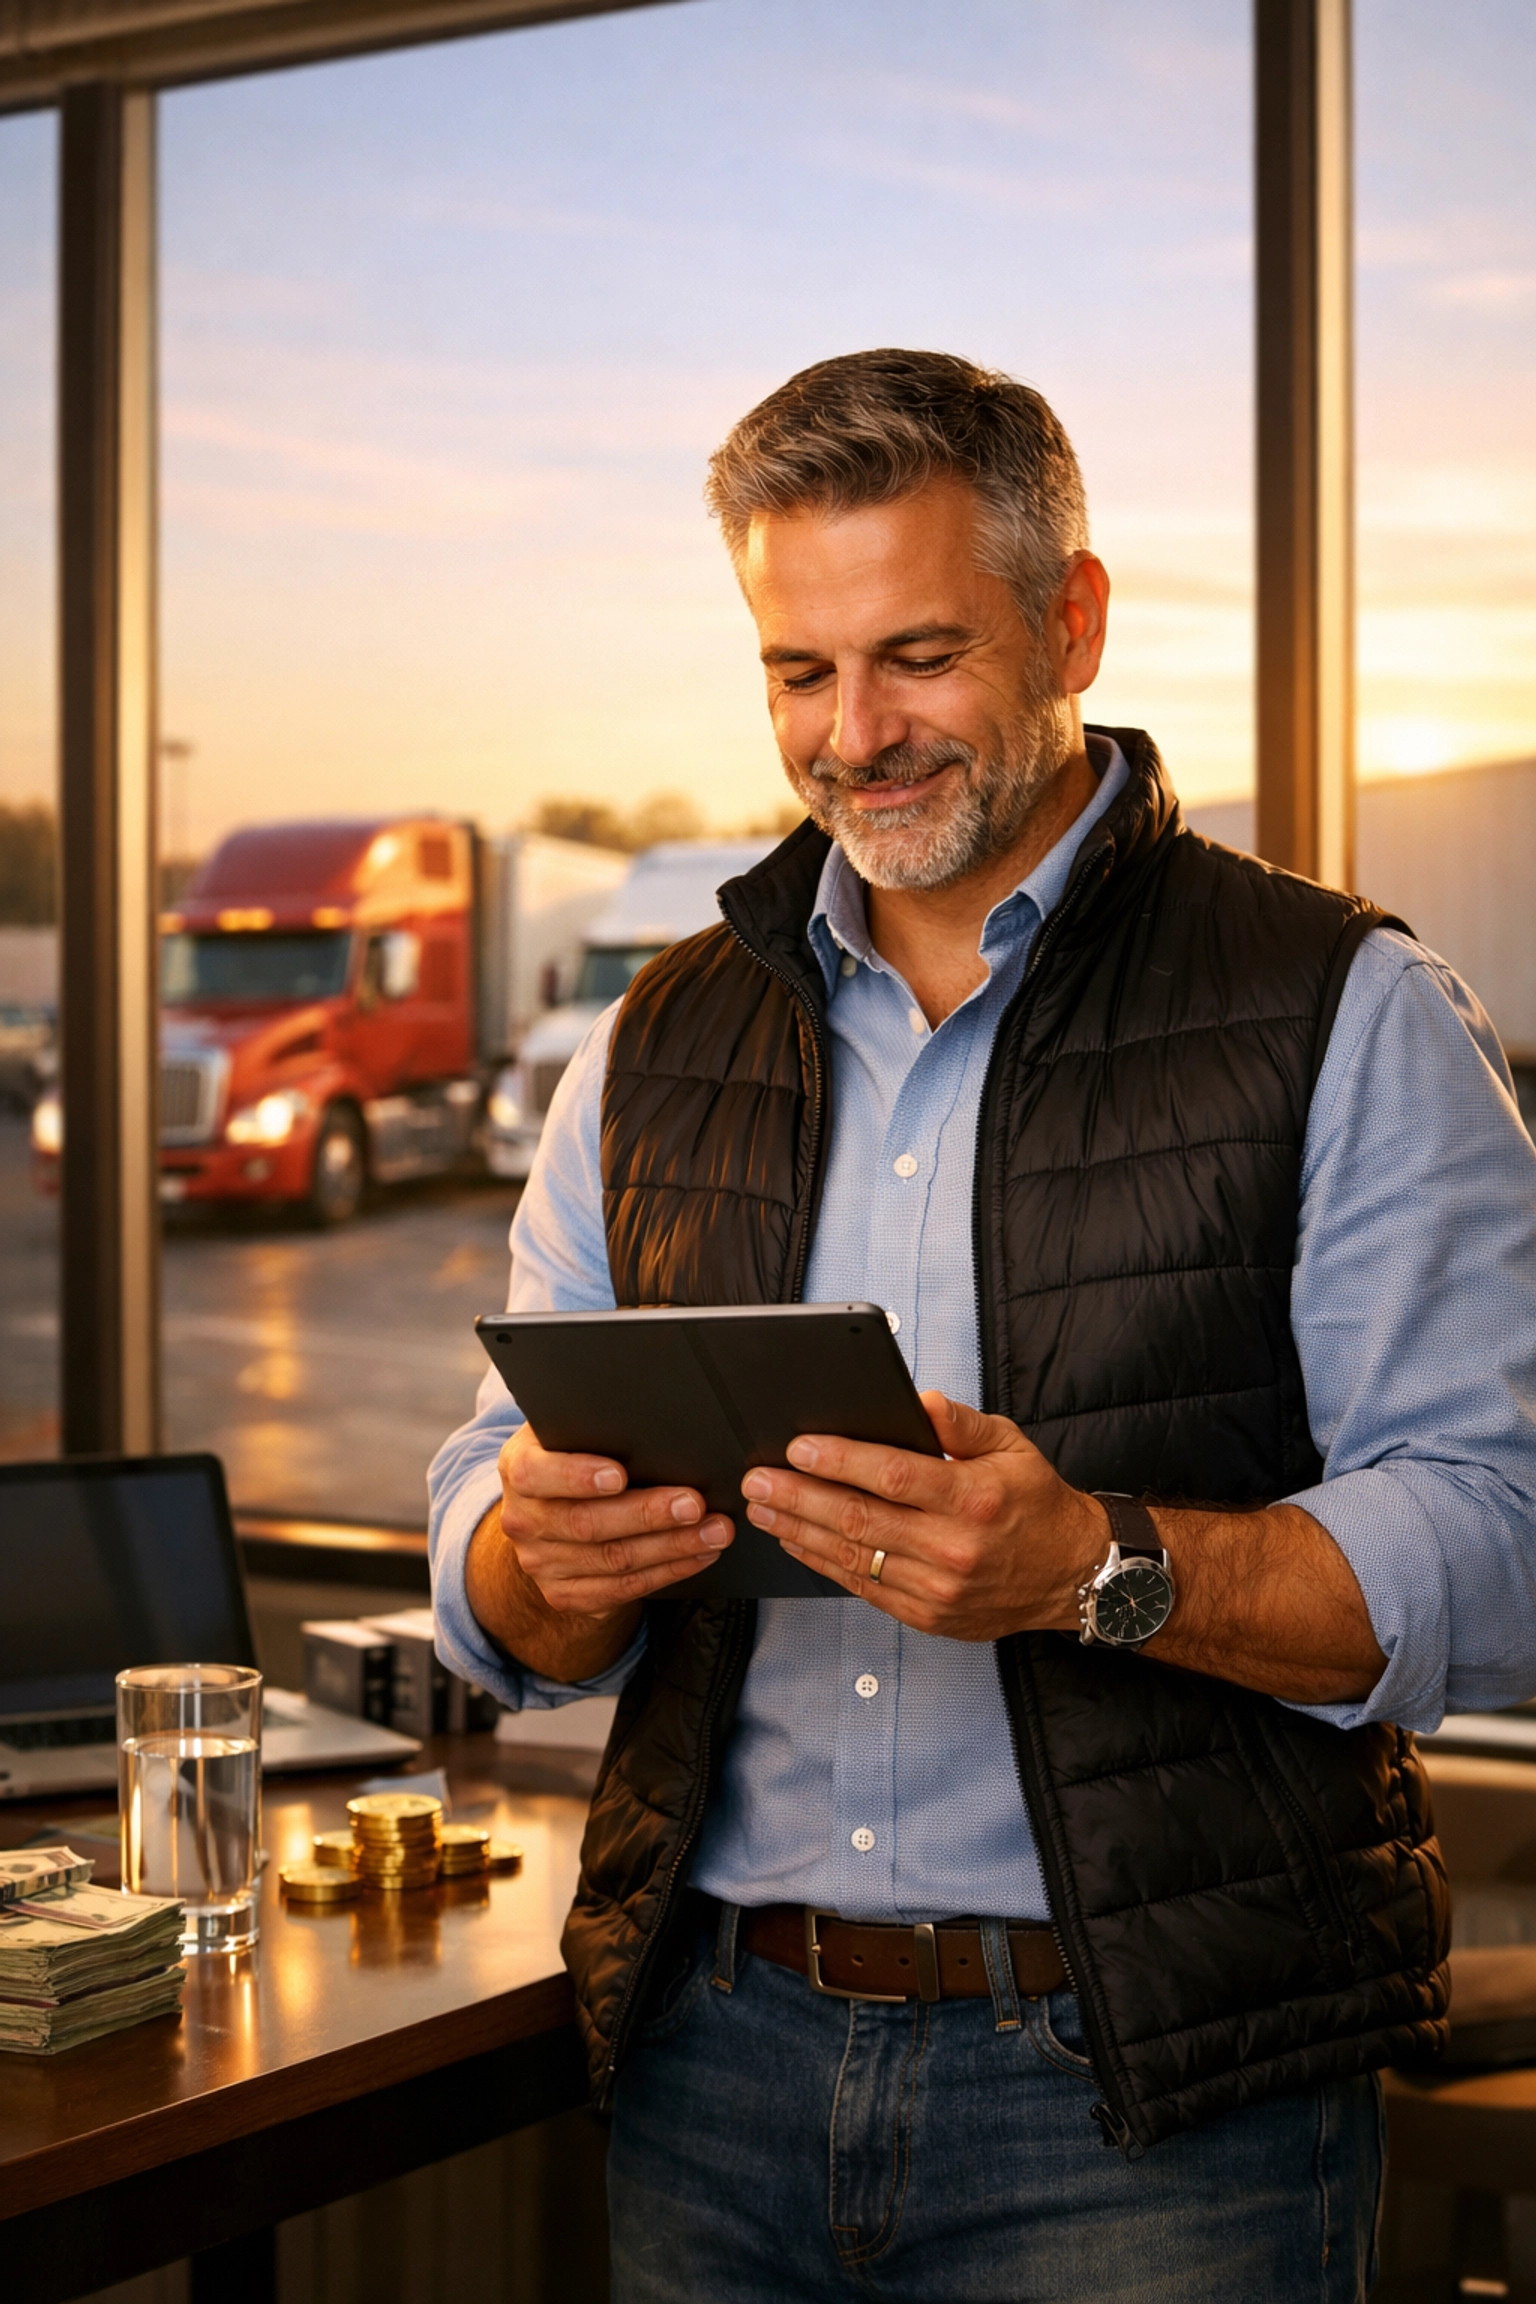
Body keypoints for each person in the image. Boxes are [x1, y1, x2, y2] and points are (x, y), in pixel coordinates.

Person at [429, 349, 1536, 2302]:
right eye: (797, 671)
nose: (854, 734)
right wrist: (539, 1558)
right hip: (711, 2063)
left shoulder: (1344, 1009)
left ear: (1074, 620)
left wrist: (1092, 1569)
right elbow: (491, 1524)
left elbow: (1504, 1541)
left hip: (1156, 2114)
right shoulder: (654, 1040)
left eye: (919, 655)